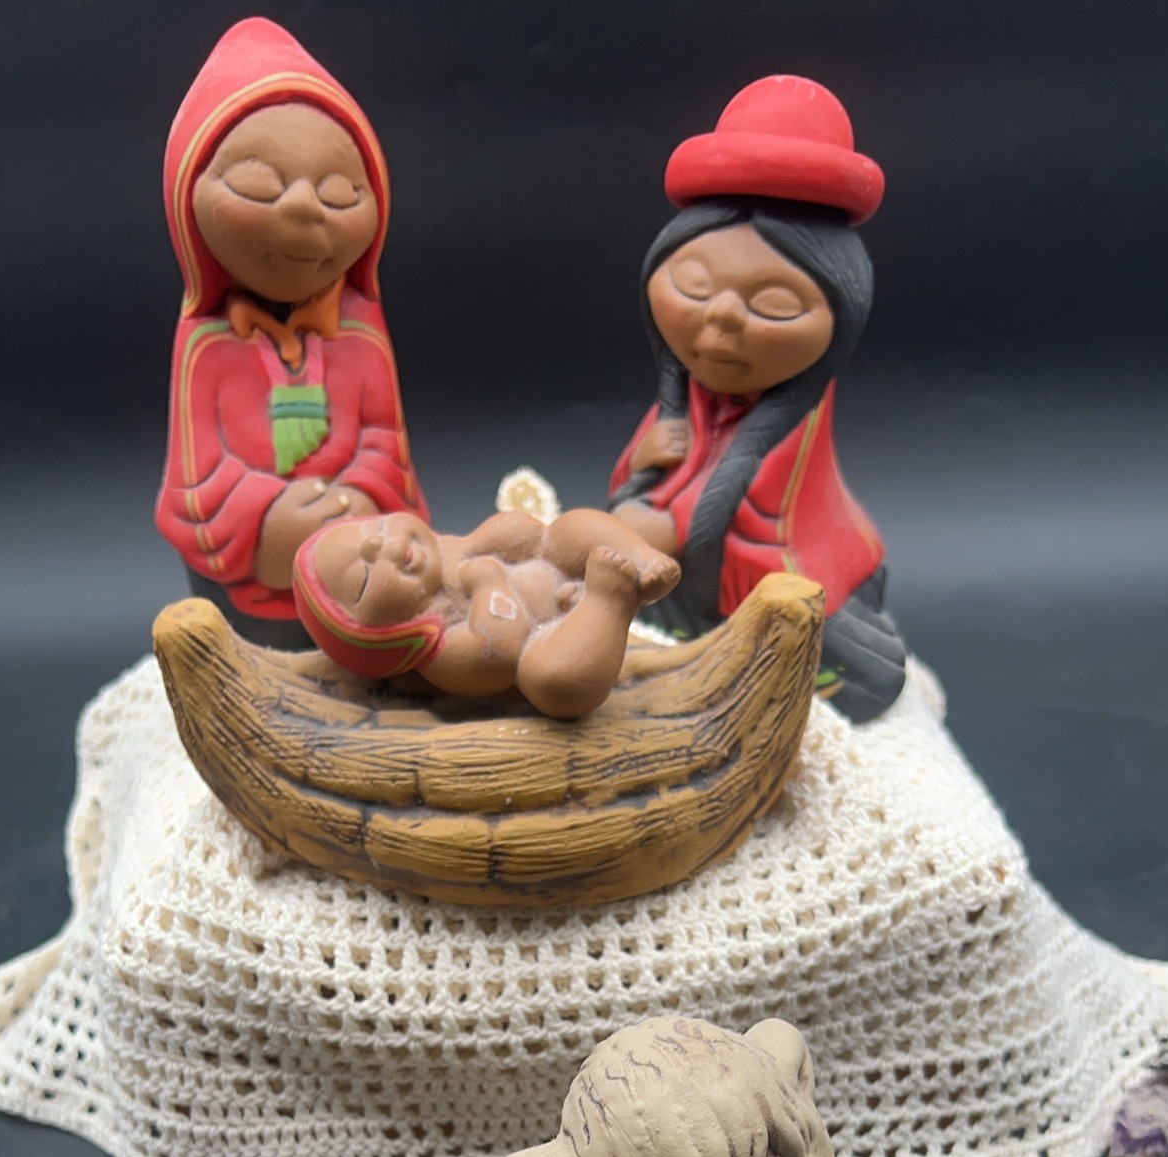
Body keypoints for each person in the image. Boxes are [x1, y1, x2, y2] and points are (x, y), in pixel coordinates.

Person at [609, 76, 907, 720]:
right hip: (682, 572)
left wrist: (671, 526)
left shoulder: (796, 413)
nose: (721, 317)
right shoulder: (683, 395)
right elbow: (645, 473)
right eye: (693, 286)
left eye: (772, 304)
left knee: (819, 635)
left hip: (761, 562)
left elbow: (768, 505)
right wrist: (645, 463)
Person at [156, 19, 426, 647]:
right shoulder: (206, 345)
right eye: (258, 185)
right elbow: (196, 476)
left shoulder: (360, 337)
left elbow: (385, 441)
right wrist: (268, 523)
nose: (304, 206)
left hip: (359, 572)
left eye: (340, 193)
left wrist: (360, 500)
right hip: (252, 595)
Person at [292, 507, 679, 717]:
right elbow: (502, 651)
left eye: (377, 529)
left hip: (559, 569)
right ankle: (609, 600)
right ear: (376, 634)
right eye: (364, 578)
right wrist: (488, 582)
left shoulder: (451, 549)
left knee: (567, 529)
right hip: (556, 636)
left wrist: (496, 537)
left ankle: (641, 558)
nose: (386, 546)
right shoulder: (441, 652)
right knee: (554, 681)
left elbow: (524, 531)